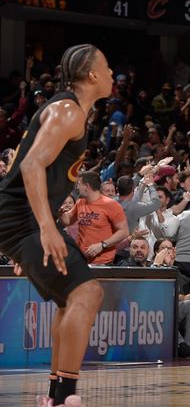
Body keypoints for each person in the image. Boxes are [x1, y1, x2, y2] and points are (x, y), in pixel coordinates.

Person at [0, 44, 113, 407]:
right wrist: (45, 230)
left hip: (22, 222)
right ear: (93, 75)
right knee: (87, 293)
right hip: (23, 220)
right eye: (107, 68)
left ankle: (56, 396)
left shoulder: (73, 111)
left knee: (71, 297)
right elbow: (31, 166)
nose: (112, 74)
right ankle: (65, 398)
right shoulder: (69, 111)